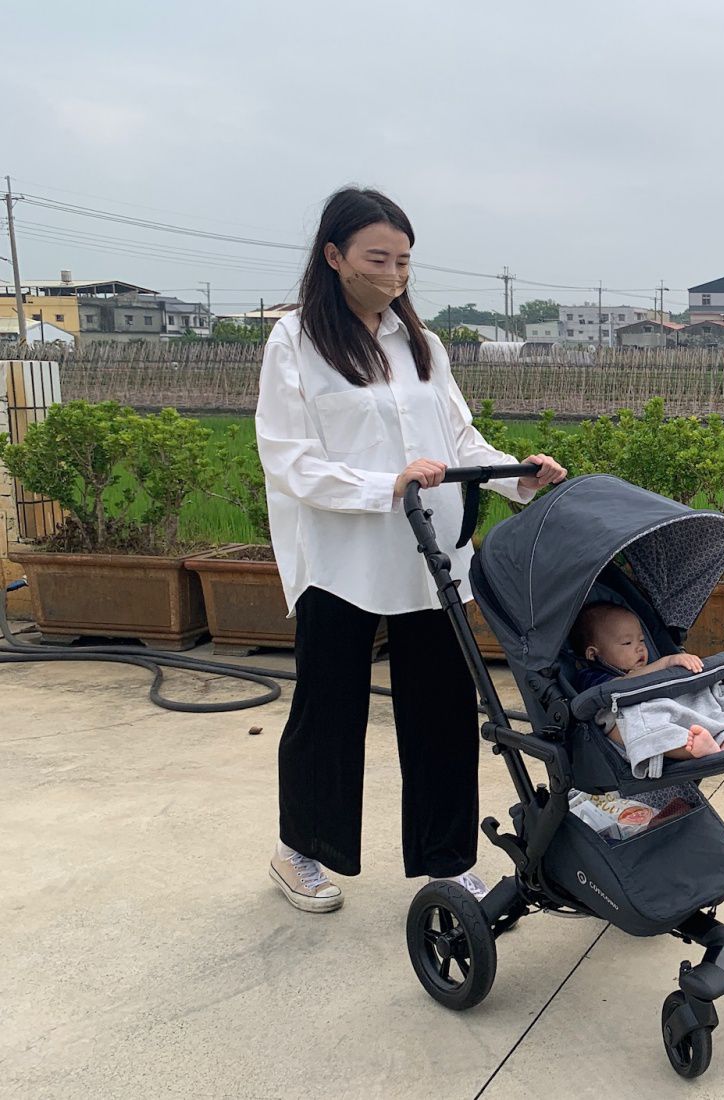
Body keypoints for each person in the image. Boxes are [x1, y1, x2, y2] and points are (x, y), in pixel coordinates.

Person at [256, 187, 566, 913]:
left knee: (445, 710)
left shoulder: (422, 344)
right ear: (334, 258)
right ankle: (300, 849)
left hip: (430, 558)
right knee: (328, 711)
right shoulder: (296, 341)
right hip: (342, 556)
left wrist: (517, 472)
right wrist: (381, 485)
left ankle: (448, 859)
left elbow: (457, 438)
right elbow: (288, 456)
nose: (394, 273)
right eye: (377, 258)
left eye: (403, 260)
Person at [570, 602, 724, 760]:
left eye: (642, 641)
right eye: (627, 643)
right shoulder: (590, 676)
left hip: (659, 707)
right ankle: (689, 749)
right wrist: (665, 662)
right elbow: (622, 684)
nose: (639, 649)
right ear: (593, 654)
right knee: (642, 715)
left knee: (708, 691)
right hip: (625, 719)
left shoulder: (643, 666)